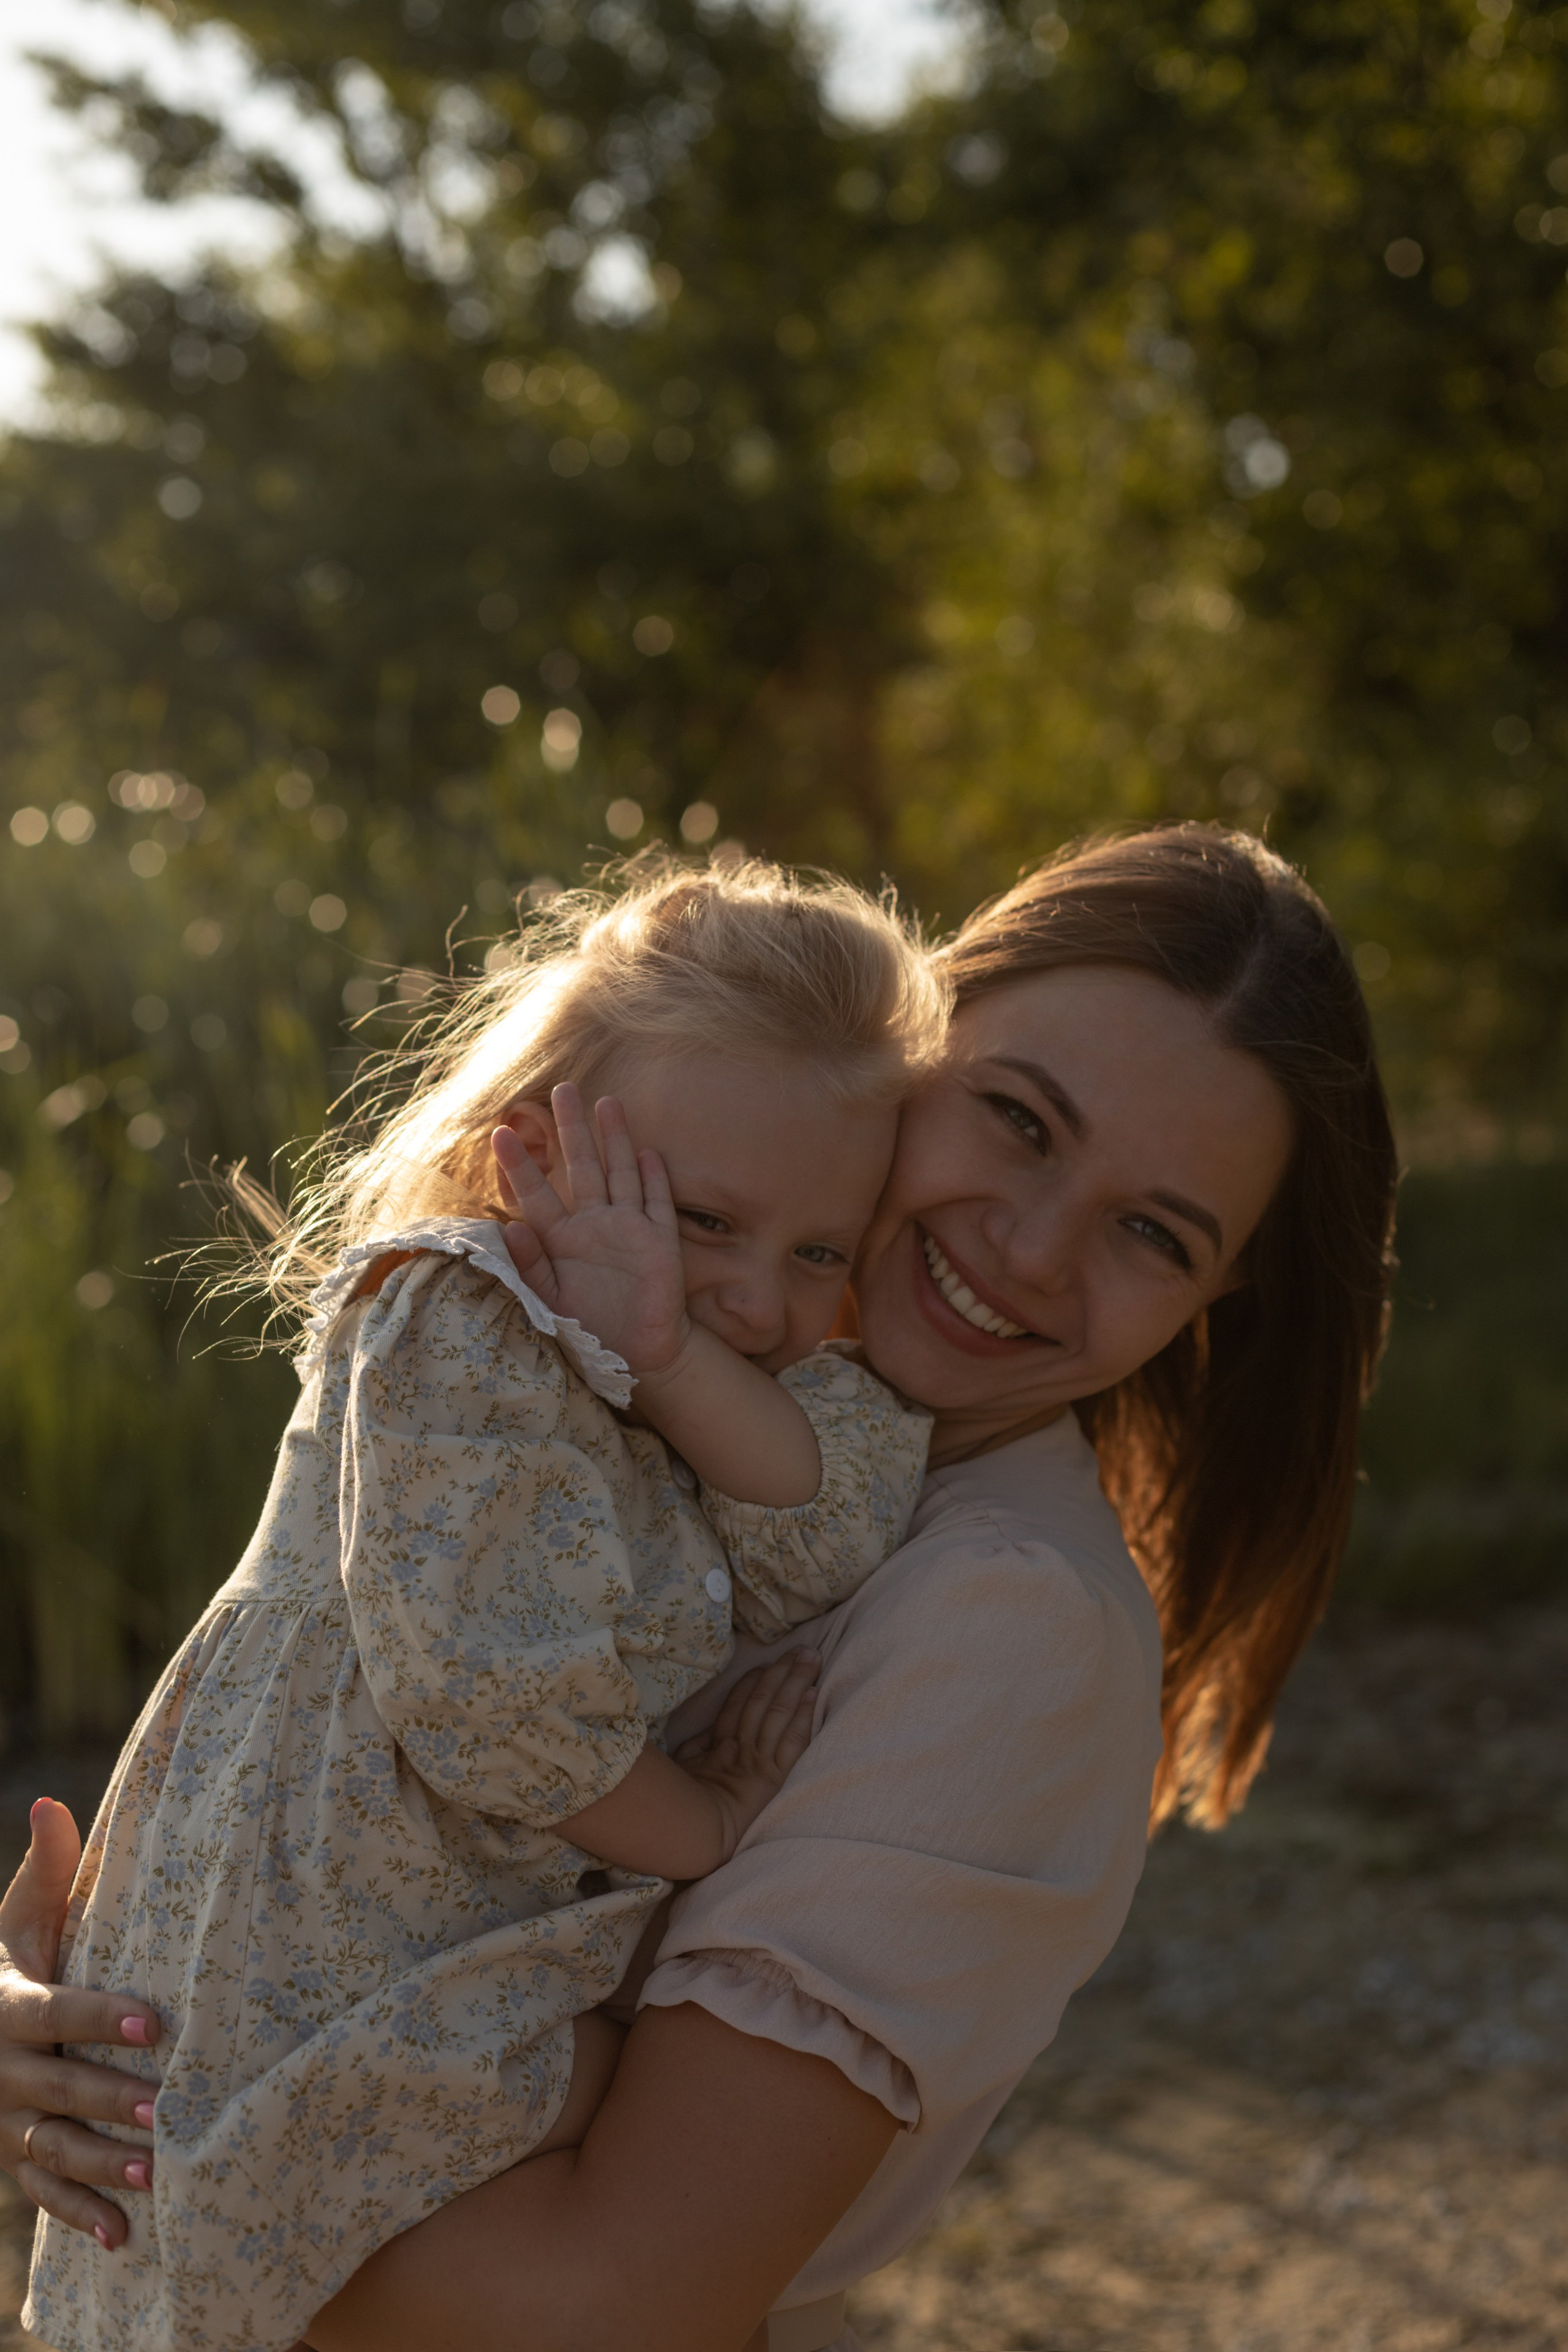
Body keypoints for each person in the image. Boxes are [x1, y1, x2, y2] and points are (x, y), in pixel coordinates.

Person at [0, 826, 1397, 2352]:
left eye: (1151, 1231)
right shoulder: (626, 1383)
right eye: (1015, 1121)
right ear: (910, 1051)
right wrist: (65, 2028)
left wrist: (158, 2154)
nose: (1032, 1246)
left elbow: (619, 2305)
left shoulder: (1012, 1626)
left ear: (1216, 1296)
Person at [19, 862, 947, 2352]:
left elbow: (822, 1538)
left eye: (818, 1252)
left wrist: (669, 1351)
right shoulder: (453, 1318)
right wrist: (708, 1821)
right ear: (530, 1158)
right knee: (292, 2231)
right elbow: (487, 1704)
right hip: (318, 1927)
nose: (765, 1304)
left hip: (445, 1936)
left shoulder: (690, 1370)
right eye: (705, 1219)